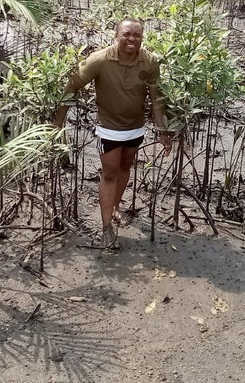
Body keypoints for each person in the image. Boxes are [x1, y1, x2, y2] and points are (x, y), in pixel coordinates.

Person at [54, 18, 172, 247]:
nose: (132, 39)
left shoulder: (149, 62)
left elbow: (157, 99)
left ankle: (116, 205)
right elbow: (72, 86)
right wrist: (57, 122)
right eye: (127, 34)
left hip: (135, 127)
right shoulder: (99, 60)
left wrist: (162, 131)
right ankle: (106, 227)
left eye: (137, 35)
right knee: (109, 173)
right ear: (116, 35)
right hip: (109, 128)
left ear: (142, 38)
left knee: (126, 167)